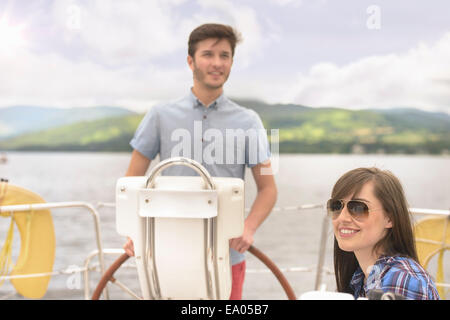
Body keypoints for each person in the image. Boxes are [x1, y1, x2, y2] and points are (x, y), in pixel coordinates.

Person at [122, 23, 277, 300]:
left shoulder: (250, 121)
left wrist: (248, 228)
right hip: (165, 255)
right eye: (208, 54)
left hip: (226, 258)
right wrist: (135, 232)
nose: (217, 63)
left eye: (225, 55)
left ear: (231, 62)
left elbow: (268, 188)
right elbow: (132, 182)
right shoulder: (159, 115)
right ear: (190, 61)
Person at [328, 167, 439, 300]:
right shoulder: (362, 278)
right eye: (336, 206)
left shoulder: (400, 279)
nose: (342, 218)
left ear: (390, 218)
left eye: (358, 208)